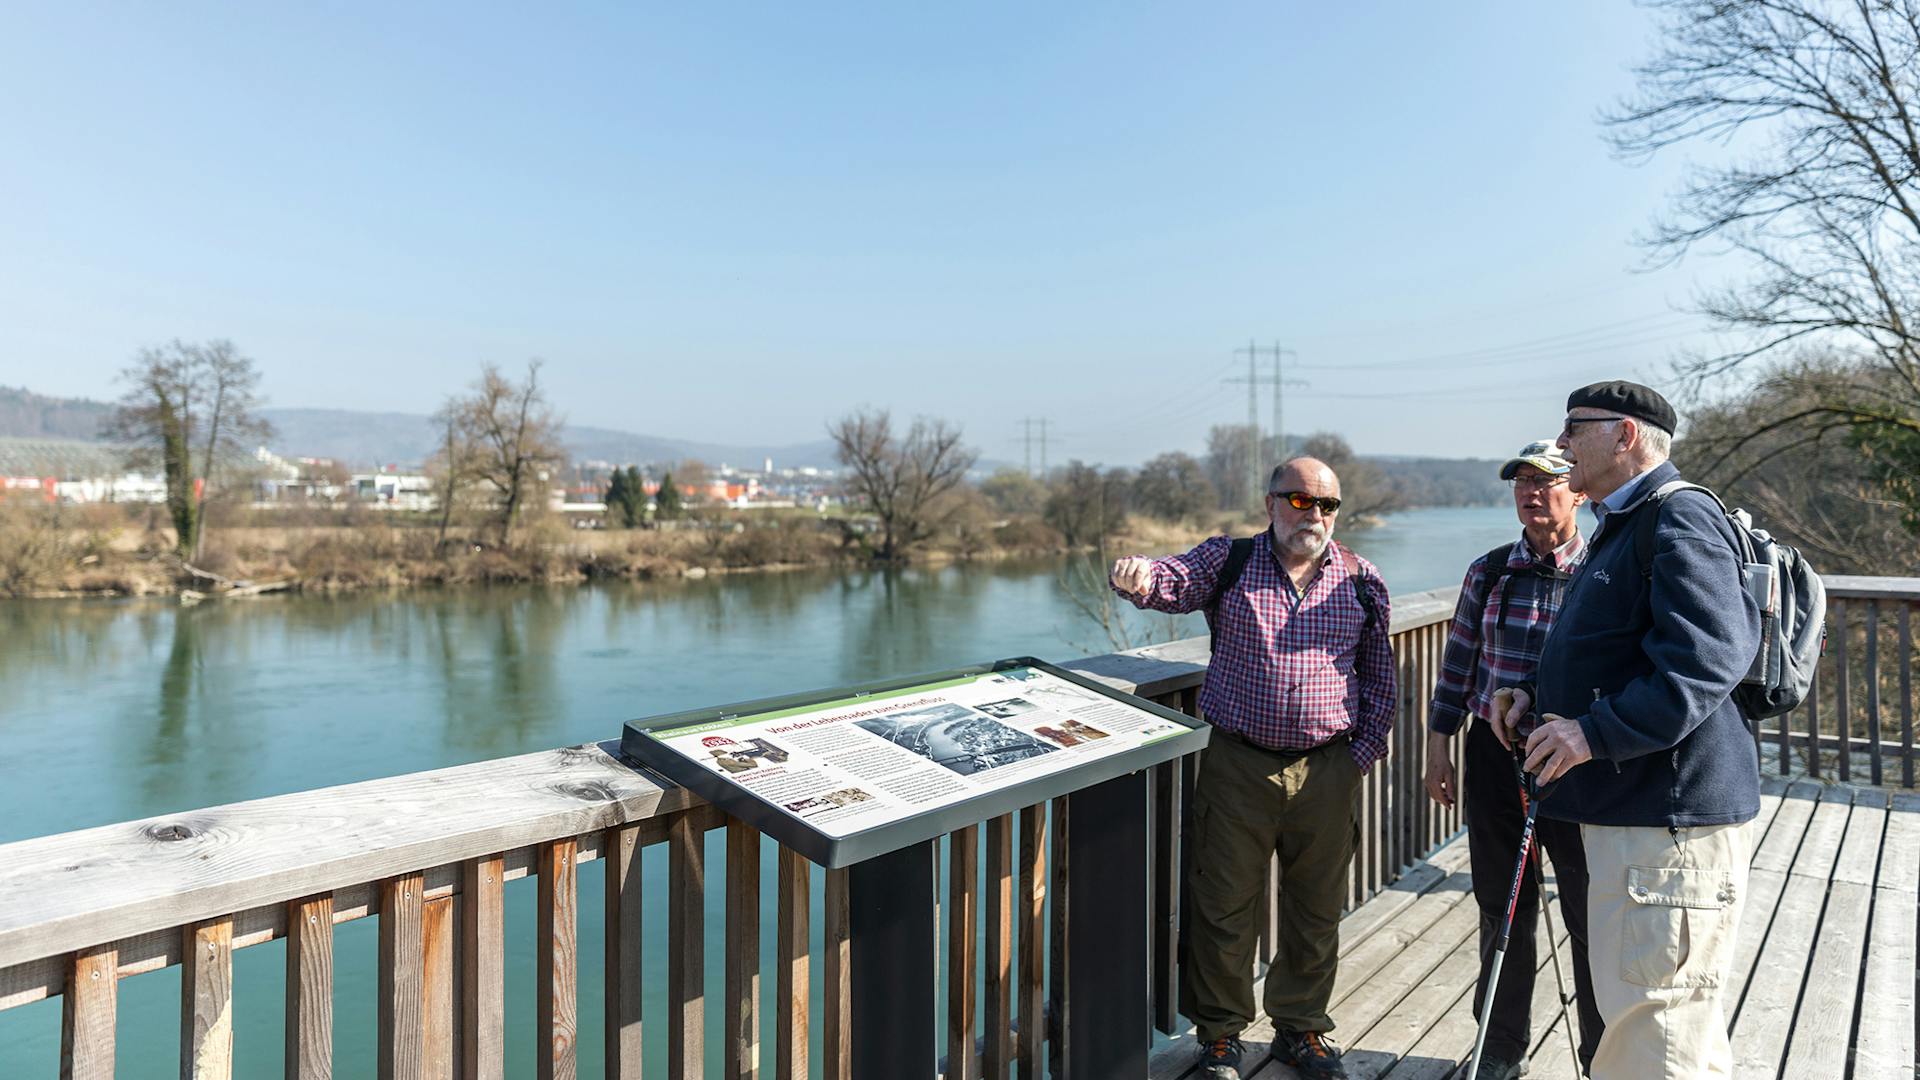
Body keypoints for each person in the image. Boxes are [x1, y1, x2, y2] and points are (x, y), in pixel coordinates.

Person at [1492, 381, 1762, 1080]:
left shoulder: (1678, 516)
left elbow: (1707, 660)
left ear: (1625, 435)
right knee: (1655, 1027)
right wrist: (1534, 695)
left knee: (1657, 1034)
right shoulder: (1627, 523)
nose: (1560, 445)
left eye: (1573, 428)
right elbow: (1621, 652)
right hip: (1637, 824)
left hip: (1666, 828)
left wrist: (1592, 734)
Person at [1110, 457, 1395, 1080]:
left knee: (1316, 909)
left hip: (1328, 768)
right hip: (1238, 765)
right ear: (1270, 504)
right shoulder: (1231, 560)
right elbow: (1173, 581)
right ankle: (1219, 1036)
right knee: (1223, 904)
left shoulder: (1360, 578)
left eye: (1327, 504)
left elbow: (1380, 678)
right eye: (1299, 500)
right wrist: (1138, 575)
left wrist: (1360, 756)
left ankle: (1301, 1028)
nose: (1313, 514)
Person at [1423, 441, 1603, 1079]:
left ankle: (1601, 1051)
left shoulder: (1603, 570)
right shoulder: (1490, 571)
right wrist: (1439, 746)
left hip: (1575, 759)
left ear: (1578, 492)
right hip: (1496, 756)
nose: (1530, 492)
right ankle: (1500, 1049)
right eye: (1521, 482)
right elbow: (1458, 666)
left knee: (1589, 907)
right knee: (1502, 903)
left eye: (1546, 481)